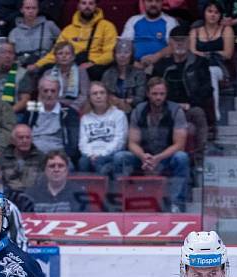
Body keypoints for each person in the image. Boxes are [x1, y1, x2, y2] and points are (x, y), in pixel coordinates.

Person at [113, 76, 190, 212]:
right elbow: (132, 143)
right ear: (148, 93)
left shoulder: (176, 110)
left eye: (162, 94)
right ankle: (121, 200)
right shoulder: (139, 110)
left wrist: (158, 158)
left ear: (166, 94)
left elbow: (179, 144)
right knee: (120, 157)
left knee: (181, 157)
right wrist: (144, 156)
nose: (158, 97)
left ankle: (176, 203)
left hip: (166, 157)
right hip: (144, 157)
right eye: (155, 94)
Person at [153, 24, 213, 155]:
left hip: (190, 107)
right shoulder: (161, 65)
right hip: (165, 108)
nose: (179, 44)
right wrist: (169, 104)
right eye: (176, 41)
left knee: (198, 113)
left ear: (189, 42)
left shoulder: (200, 63)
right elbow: (152, 89)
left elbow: (207, 89)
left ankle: (200, 155)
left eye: (183, 40)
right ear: (170, 42)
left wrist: (189, 103)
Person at [32, 0, 117, 81]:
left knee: (94, 71)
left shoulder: (107, 26)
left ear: (96, 6)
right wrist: (37, 65)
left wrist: (93, 63)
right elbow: (55, 52)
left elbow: (111, 54)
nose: (87, 6)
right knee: (46, 69)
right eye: (84, 3)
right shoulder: (68, 30)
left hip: (94, 66)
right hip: (70, 64)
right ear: (78, 6)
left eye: (91, 3)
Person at [190, 0, 234, 121]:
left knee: (211, 72)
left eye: (216, 12)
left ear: (220, 15)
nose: (213, 15)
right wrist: (210, 53)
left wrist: (206, 54)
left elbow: (228, 54)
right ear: (204, 13)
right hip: (198, 67)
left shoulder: (226, 30)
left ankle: (214, 114)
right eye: (210, 11)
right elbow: (191, 51)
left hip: (219, 68)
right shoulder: (195, 31)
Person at [22, 75, 80, 165]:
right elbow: (23, 132)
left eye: (53, 91)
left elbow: (73, 143)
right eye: (45, 91)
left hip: (59, 155)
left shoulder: (68, 112)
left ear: (58, 92)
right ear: (40, 91)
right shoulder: (32, 109)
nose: (49, 94)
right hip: (33, 154)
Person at [78, 81, 127, 176]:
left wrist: (101, 154)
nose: (98, 96)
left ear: (107, 95)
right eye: (94, 93)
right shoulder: (85, 118)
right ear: (89, 98)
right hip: (90, 155)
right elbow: (82, 142)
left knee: (101, 163)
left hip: (111, 153)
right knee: (83, 161)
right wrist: (90, 154)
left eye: (102, 93)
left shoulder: (119, 115)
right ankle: (84, 190)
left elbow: (120, 140)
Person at [20, 149, 85, 211]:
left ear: (67, 170)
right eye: (52, 166)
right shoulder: (31, 193)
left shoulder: (78, 192)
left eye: (61, 166)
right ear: (45, 170)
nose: (56, 169)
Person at [120, 0, 178, 69]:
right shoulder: (133, 20)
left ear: (162, 3)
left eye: (157, 1)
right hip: (134, 65)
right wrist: (133, 63)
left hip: (161, 65)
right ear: (143, 3)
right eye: (149, 1)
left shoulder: (170, 21)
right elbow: (123, 45)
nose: (153, 4)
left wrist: (156, 56)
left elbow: (174, 46)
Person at [0, 41, 34, 116]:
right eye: (3, 52)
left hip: (11, 113)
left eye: (10, 53)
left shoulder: (22, 74)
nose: (7, 56)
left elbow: (25, 100)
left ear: (14, 57)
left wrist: (7, 113)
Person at [101, 38, 147, 116]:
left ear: (132, 55)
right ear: (114, 55)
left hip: (134, 111)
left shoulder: (139, 74)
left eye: (126, 52)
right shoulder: (108, 73)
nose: (122, 56)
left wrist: (122, 101)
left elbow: (140, 98)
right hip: (111, 109)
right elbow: (104, 94)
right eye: (119, 52)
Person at [9, 0, 61, 67]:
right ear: (22, 10)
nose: (31, 11)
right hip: (23, 68)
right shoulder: (14, 32)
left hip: (46, 66)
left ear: (38, 10)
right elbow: (11, 55)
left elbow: (61, 45)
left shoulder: (50, 26)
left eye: (34, 8)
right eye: (27, 8)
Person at [0, 123, 44, 195]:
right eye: (21, 137)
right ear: (12, 140)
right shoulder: (2, 158)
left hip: (35, 197)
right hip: (9, 198)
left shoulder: (41, 158)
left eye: (28, 137)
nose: (25, 140)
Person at [44, 41, 90, 112]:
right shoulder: (48, 73)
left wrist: (72, 108)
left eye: (67, 53)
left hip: (75, 108)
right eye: (60, 53)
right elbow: (43, 95)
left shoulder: (81, 72)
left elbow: (84, 95)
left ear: (73, 57)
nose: (64, 56)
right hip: (53, 108)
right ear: (55, 57)